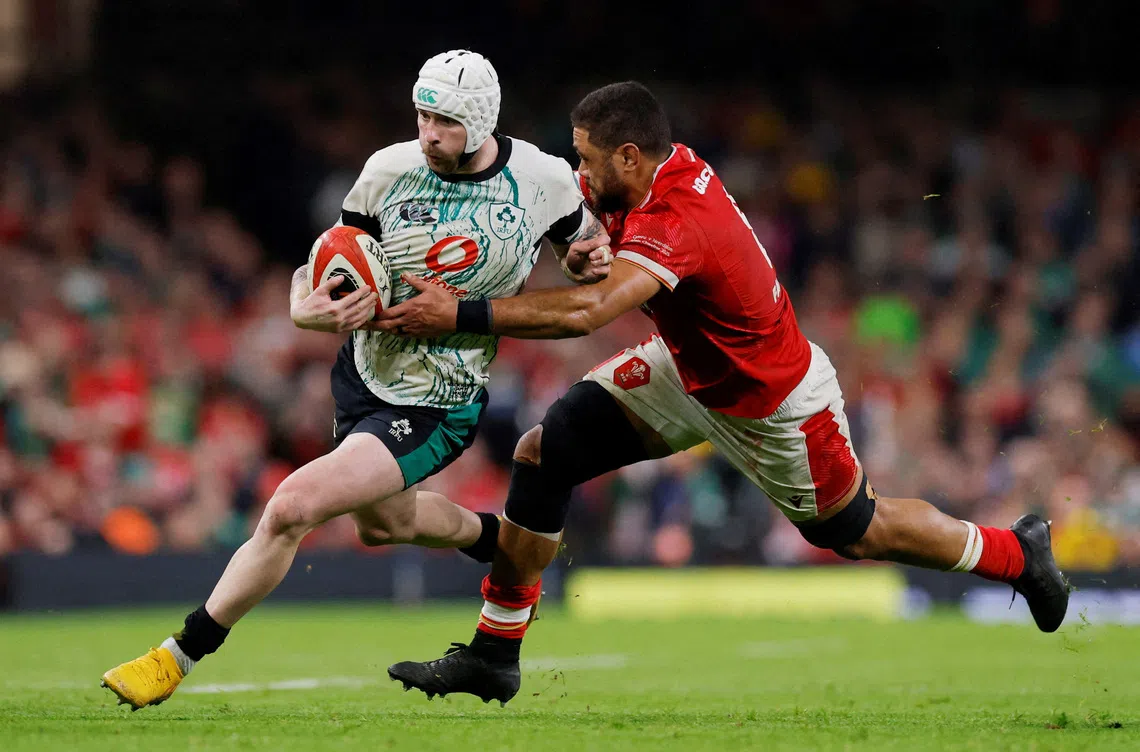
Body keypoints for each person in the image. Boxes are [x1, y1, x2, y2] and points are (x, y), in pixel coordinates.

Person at [375, 82, 1071, 706]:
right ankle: (495, 654)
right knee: (545, 452)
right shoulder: (651, 175)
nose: (579, 174)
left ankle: (1017, 553)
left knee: (857, 530)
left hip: (771, 401)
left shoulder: (677, 219)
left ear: (628, 157)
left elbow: (588, 311)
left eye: (587, 160)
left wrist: (457, 312)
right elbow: (587, 238)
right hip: (687, 370)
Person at [99, 49, 611, 711]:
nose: (429, 133)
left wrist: (585, 259)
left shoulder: (542, 180)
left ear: (483, 122)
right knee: (383, 525)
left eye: (447, 122)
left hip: (438, 401)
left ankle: (176, 656)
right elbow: (328, 261)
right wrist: (303, 308)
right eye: (422, 116)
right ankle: (497, 538)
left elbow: (586, 252)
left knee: (291, 507)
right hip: (363, 376)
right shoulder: (387, 170)